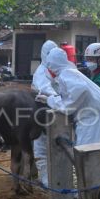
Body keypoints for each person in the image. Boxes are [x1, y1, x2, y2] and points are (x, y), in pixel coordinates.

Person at [35, 47, 100, 146]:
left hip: (94, 115)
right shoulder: (68, 71)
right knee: (90, 150)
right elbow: (69, 97)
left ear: (52, 64)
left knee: (88, 151)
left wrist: (50, 101)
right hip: (97, 111)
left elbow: (71, 102)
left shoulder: (66, 74)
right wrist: (49, 99)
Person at [31, 40, 58, 187]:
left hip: (56, 111)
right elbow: (46, 89)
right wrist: (59, 99)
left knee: (56, 146)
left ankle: (54, 178)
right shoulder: (41, 72)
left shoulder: (55, 70)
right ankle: (46, 180)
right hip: (42, 113)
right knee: (41, 148)